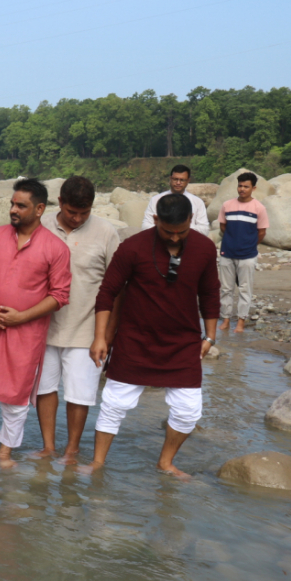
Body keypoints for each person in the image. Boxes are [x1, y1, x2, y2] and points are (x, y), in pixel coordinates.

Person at [88, 193, 219, 478]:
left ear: (191, 221)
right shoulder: (133, 247)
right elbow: (107, 292)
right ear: (156, 219)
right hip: (134, 340)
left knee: (188, 411)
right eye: (167, 232)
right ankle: (97, 464)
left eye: (181, 232)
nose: (174, 238)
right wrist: (101, 337)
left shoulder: (205, 249)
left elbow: (210, 294)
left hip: (183, 343)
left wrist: (209, 337)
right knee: (113, 404)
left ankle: (166, 462)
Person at [0, 178, 71, 467]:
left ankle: (4, 454)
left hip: (26, 333)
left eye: (21, 206)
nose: (13, 209)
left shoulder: (56, 248)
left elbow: (59, 296)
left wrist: (21, 317)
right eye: (12, 203)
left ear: (39, 209)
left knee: (15, 397)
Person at [34, 176, 120, 461]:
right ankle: (48, 447)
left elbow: (117, 287)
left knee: (80, 395)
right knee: (44, 389)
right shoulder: (41, 224)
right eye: (72, 212)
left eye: (85, 212)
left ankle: (71, 449)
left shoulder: (107, 232)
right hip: (42, 326)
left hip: (87, 330)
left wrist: (108, 335)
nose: (78, 218)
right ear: (59, 202)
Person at [217, 171, 268, 334]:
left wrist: (249, 245)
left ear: (254, 188)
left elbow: (261, 232)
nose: (242, 189)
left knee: (245, 289)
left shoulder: (259, 208)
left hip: (247, 255)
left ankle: (240, 322)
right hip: (227, 253)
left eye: (246, 186)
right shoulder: (227, 205)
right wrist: (232, 241)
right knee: (226, 288)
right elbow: (223, 227)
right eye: (240, 186)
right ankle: (225, 319)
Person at [141, 164, 209, 234]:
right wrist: (166, 230)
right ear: (170, 178)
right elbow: (145, 226)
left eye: (182, 180)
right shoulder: (156, 200)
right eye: (175, 179)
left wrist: (182, 228)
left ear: (188, 180)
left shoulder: (197, 202)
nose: (178, 183)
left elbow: (205, 230)